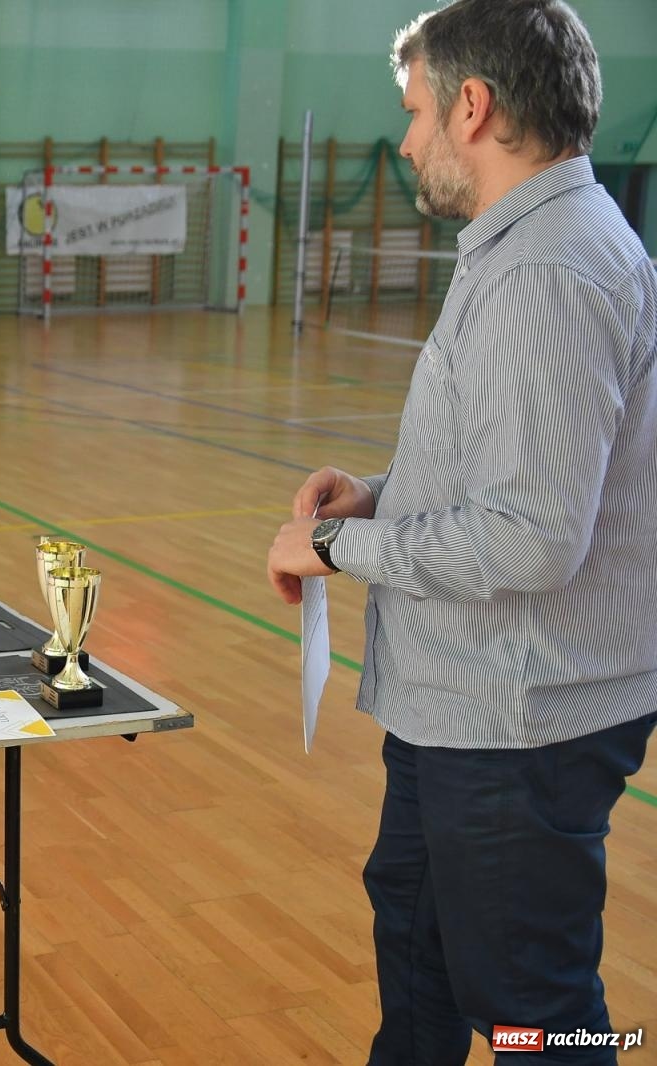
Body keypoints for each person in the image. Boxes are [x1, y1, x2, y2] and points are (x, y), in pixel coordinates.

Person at [265, 2, 657, 1061]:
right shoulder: (528, 245)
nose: (405, 141)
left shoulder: (546, 271)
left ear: (472, 108)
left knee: (538, 1013)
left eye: (414, 112)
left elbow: (531, 537)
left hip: (519, 722)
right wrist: (379, 499)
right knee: (424, 958)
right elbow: (508, 476)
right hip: (468, 712)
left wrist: (340, 549)